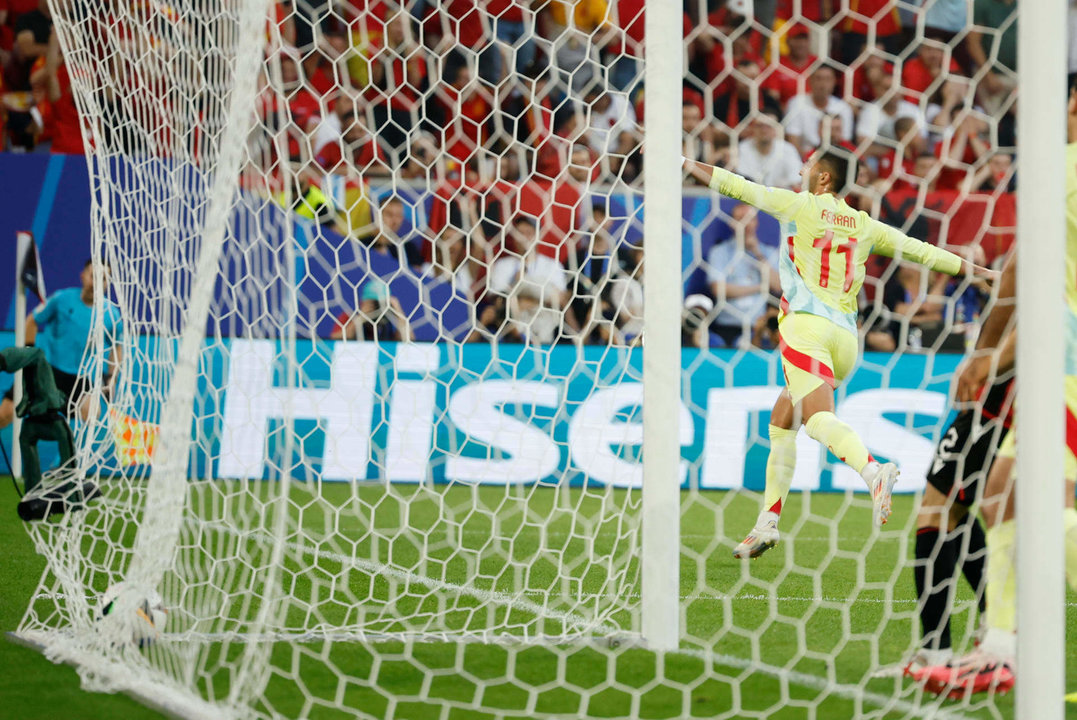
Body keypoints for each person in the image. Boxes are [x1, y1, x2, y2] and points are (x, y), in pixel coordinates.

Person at [682, 149, 997, 559]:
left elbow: (736, 186)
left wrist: (683, 160)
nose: (800, 170)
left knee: (815, 419)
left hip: (806, 328)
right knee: (783, 420)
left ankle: (873, 470)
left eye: (808, 166)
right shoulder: (865, 226)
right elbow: (921, 251)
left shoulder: (799, 205)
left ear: (824, 180)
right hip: (847, 340)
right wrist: (982, 272)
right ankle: (767, 523)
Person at [918, 85, 1077, 699]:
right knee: (1003, 493)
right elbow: (1020, 270)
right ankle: (999, 649)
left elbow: (1032, 283)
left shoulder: (1056, 172)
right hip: (1038, 362)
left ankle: (999, 648)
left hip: (1052, 366)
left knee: (1009, 495)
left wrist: (993, 355)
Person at [0, 260, 123, 430]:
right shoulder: (61, 299)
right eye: (93, 276)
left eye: (102, 279)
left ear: (108, 283)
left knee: (93, 413)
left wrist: (111, 378)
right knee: (4, 413)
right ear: (83, 276)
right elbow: (31, 321)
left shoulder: (112, 315)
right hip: (47, 370)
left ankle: (72, 455)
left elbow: (117, 347)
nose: (96, 283)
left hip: (79, 379)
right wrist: (28, 354)